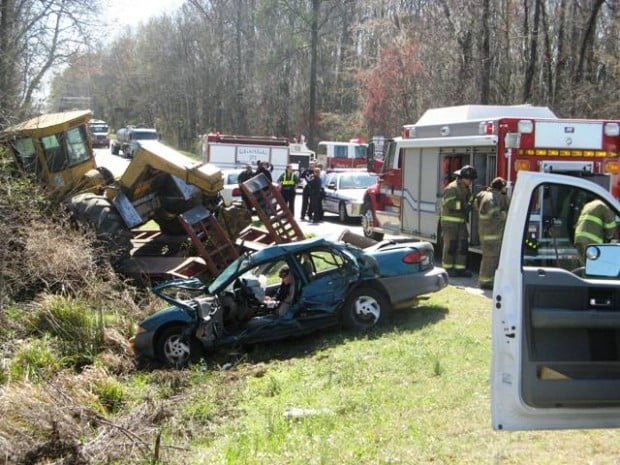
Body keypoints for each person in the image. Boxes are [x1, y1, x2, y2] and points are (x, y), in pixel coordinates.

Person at [440, 164, 477, 277]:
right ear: (463, 178)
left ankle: (460, 269)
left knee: (463, 245)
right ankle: (448, 269)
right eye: (469, 179)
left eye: (472, 180)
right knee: (451, 246)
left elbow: (470, 200)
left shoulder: (465, 188)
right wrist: (465, 205)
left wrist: (472, 200)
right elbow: (449, 203)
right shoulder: (452, 188)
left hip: (461, 222)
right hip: (450, 223)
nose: (470, 182)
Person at [475, 177, 510, 289]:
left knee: (490, 258)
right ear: (502, 187)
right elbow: (495, 215)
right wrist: (505, 214)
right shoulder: (492, 199)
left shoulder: (485, 195)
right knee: (490, 258)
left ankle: (489, 280)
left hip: (488, 232)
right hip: (491, 234)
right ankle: (485, 282)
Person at [573, 197, 617, 266]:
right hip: (590, 241)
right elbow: (610, 226)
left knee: (584, 267)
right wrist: (610, 237)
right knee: (592, 267)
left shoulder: (588, 205)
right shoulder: (603, 206)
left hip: (579, 238)